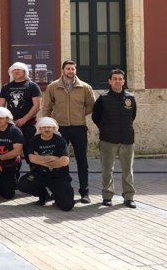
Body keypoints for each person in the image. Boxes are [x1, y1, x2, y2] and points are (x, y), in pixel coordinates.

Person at [42, 60, 95, 204]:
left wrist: (79, 114)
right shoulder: (53, 87)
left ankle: (84, 192)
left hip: (79, 127)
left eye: (73, 69)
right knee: (59, 160)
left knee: (82, 161)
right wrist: (49, 124)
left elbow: (91, 105)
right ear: (63, 70)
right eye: (68, 69)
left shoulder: (85, 87)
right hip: (60, 129)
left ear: (75, 70)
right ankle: (59, 190)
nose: (70, 71)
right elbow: (46, 107)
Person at [92, 69, 138, 208]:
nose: (118, 81)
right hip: (108, 140)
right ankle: (107, 196)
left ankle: (129, 197)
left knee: (128, 170)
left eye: (120, 79)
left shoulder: (130, 98)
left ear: (124, 81)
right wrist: (106, 129)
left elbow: (133, 116)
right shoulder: (103, 98)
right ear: (110, 81)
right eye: (115, 78)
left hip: (127, 140)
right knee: (107, 170)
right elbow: (96, 117)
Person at [18, 117, 75, 211]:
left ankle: (57, 196)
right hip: (40, 174)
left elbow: (64, 161)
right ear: (39, 129)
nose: (47, 129)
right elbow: (32, 159)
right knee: (23, 184)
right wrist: (54, 159)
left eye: (49, 127)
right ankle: (43, 195)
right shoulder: (34, 140)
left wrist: (41, 159)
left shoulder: (60, 141)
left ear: (54, 128)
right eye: (44, 127)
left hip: (58, 177)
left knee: (67, 206)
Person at [0, 62, 42, 158]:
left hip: (29, 124)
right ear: (11, 72)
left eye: (19, 69)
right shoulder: (6, 87)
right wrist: (8, 120)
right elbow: (0, 107)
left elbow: (37, 105)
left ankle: (35, 172)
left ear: (25, 71)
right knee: (10, 151)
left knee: (30, 151)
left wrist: (24, 119)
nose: (17, 71)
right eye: (14, 69)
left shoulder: (32, 86)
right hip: (10, 125)